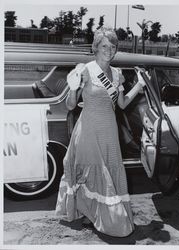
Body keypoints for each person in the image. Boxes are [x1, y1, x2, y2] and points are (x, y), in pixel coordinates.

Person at [55, 27, 146, 237]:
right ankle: (91, 212)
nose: (109, 50)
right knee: (91, 172)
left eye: (113, 46)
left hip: (109, 133)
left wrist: (138, 85)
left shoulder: (117, 74)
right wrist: (72, 87)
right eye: (105, 45)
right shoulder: (86, 70)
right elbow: (70, 106)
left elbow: (122, 104)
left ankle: (99, 215)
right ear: (96, 47)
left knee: (108, 172)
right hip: (88, 131)